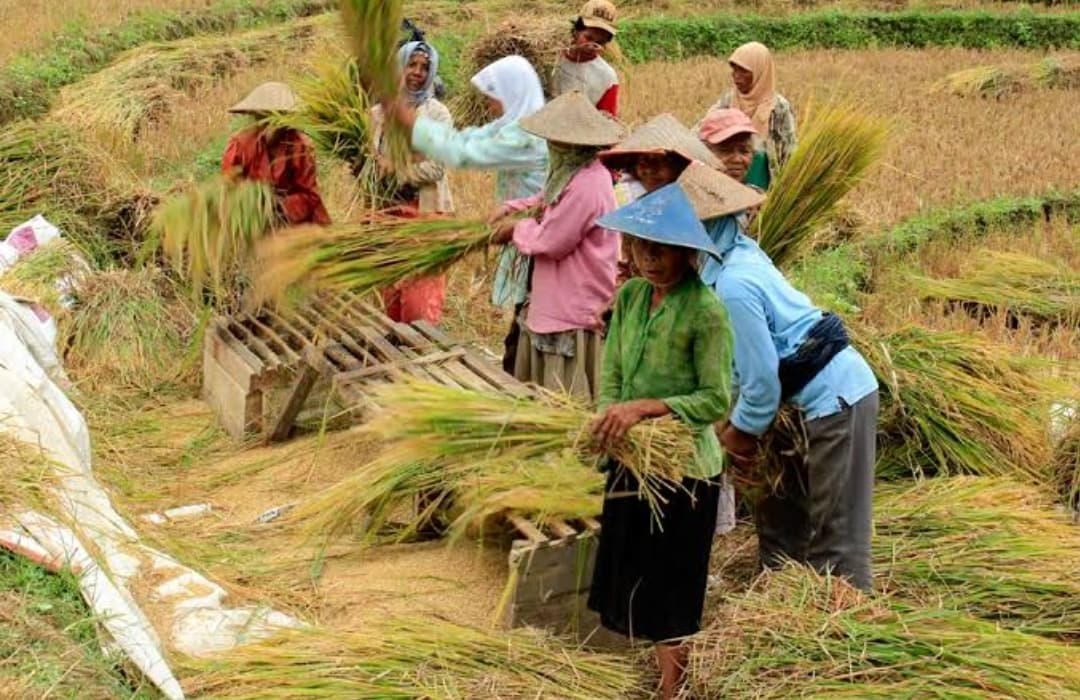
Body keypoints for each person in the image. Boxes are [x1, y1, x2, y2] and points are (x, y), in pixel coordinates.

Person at [679, 161, 880, 591]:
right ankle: (779, 601)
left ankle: (846, 629)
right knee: (782, 515)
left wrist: (739, 434)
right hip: (801, 402)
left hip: (837, 400)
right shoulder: (738, 254)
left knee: (836, 532)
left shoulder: (734, 283)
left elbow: (762, 382)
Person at [588, 182, 734, 700]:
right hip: (634, 460)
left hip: (685, 472)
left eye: (662, 248)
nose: (649, 258)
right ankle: (661, 673)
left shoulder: (706, 312)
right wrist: (608, 418)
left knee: (673, 587)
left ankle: (675, 687)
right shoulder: (628, 298)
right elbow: (614, 373)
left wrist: (646, 409)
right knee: (635, 577)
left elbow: (715, 400)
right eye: (641, 246)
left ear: (689, 252)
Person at [386, 55, 548, 370]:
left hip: (541, 235)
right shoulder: (516, 124)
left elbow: (462, 154)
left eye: (493, 100)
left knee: (535, 309)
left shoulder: (528, 135)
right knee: (526, 310)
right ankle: (520, 369)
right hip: (521, 228)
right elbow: (469, 139)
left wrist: (409, 122)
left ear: (513, 94)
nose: (489, 107)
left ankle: (529, 377)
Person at [488, 91, 625, 402]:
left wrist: (514, 230)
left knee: (563, 397)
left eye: (556, 141)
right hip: (557, 296)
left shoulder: (591, 182)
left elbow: (553, 241)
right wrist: (513, 206)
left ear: (575, 145)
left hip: (574, 304)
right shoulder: (572, 172)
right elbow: (548, 199)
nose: (552, 147)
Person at [371, 41, 455, 324]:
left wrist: (396, 169)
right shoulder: (378, 114)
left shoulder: (437, 114)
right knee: (391, 292)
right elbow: (369, 161)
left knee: (419, 300)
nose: (417, 72)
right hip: (388, 214)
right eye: (412, 64)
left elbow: (437, 168)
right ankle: (395, 357)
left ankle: (419, 354)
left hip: (424, 215)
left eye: (425, 67)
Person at [597, 113, 722, 283]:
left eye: (659, 162)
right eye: (643, 162)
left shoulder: (700, 206)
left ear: (678, 166)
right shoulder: (634, 204)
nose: (650, 170)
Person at [222, 82, 330, 226]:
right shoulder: (241, 145)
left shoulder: (300, 146)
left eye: (275, 117)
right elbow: (228, 188)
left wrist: (277, 206)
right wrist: (251, 204)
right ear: (256, 116)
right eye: (264, 117)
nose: (269, 123)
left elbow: (309, 195)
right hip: (251, 220)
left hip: (293, 222)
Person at [701, 42, 796, 188]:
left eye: (743, 71)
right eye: (734, 70)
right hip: (730, 178)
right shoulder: (728, 100)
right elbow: (702, 133)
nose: (736, 77)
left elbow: (788, 153)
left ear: (760, 72)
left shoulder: (779, 108)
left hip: (763, 176)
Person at [552, 0, 620, 117]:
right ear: (576, 31)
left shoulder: (607, 77)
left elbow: (608, 121)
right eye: (588, 38)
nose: (592, 45)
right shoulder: (551, 57)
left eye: (600, 42)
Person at [698, 107, 771, 190]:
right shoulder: (688, 195)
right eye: (726, 150)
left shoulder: (757, 198)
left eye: (744, 151)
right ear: (704, 153)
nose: (737, 159)